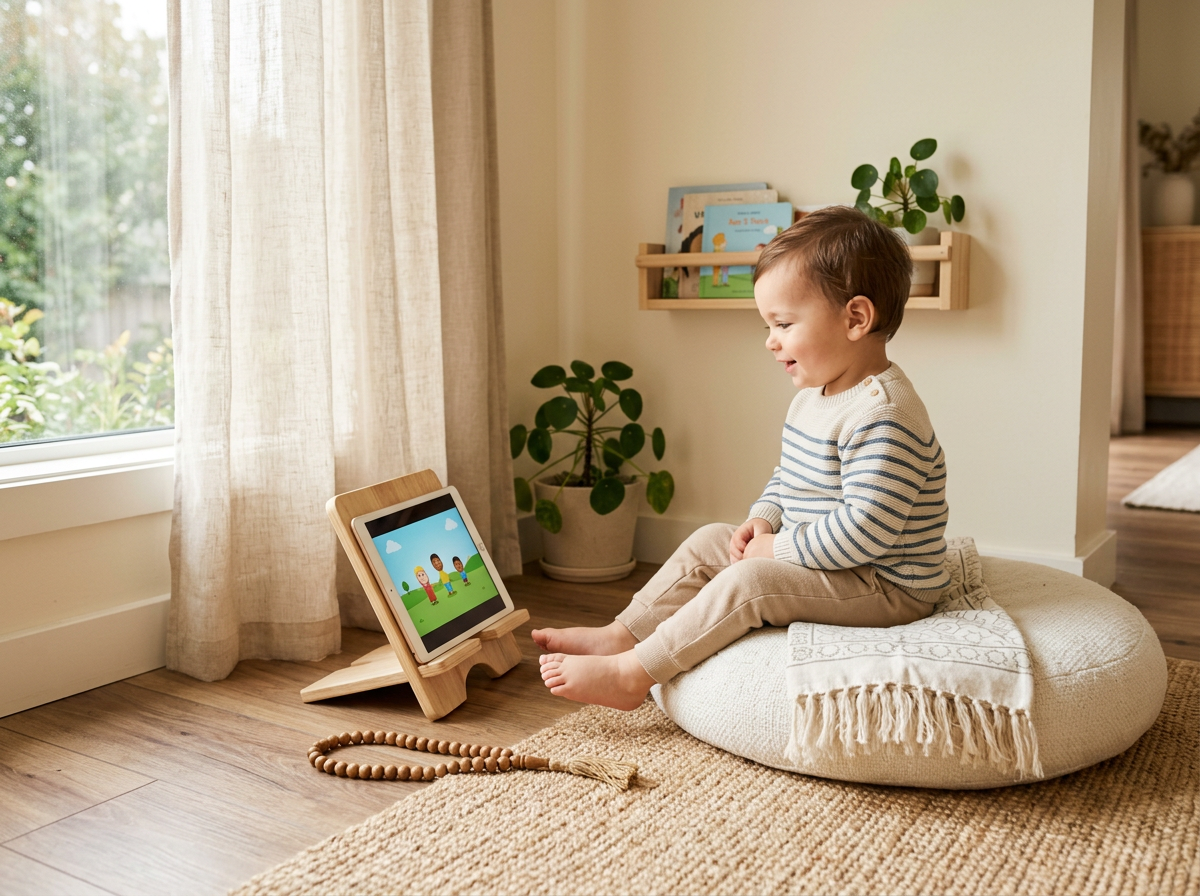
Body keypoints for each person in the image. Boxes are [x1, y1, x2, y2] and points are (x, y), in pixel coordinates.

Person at [534, 206, 950, 710]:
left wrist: (775, 552)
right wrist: (763, 518)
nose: (770, 341)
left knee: (751, 583)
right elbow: (789, 477)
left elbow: (866, 531)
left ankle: (632, 674)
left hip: (884, 584)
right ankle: (621, 635)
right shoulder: (813, 397)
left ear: (856, 318)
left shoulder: (885, 414)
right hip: (830, 559)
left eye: (783, 323)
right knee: (710, 538)